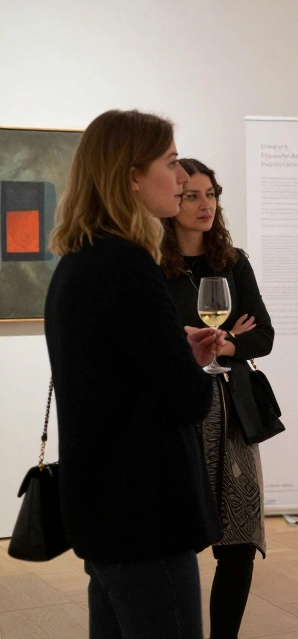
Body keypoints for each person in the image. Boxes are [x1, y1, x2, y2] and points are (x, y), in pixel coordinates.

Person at [44, 109, 223, 638]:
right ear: (131, 177)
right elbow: (190, 400)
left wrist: (170, 348)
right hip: (143, 513)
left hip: (102, 509)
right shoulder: (126, 264)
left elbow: (113, 374)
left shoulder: (80, 260)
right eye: (170, 163)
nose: (185, 179)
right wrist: (190, 363)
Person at [160, 157, 275, 639]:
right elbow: (161, 343)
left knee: (240, 542)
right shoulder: (151, 266)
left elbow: (263, 335)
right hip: (180, 415)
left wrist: (226, 343)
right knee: (177, 541)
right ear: (172, 201)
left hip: (233, 414)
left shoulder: (233, 262)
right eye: (193, 195)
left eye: (212, 194)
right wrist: (223, 337)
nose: (205, 204)